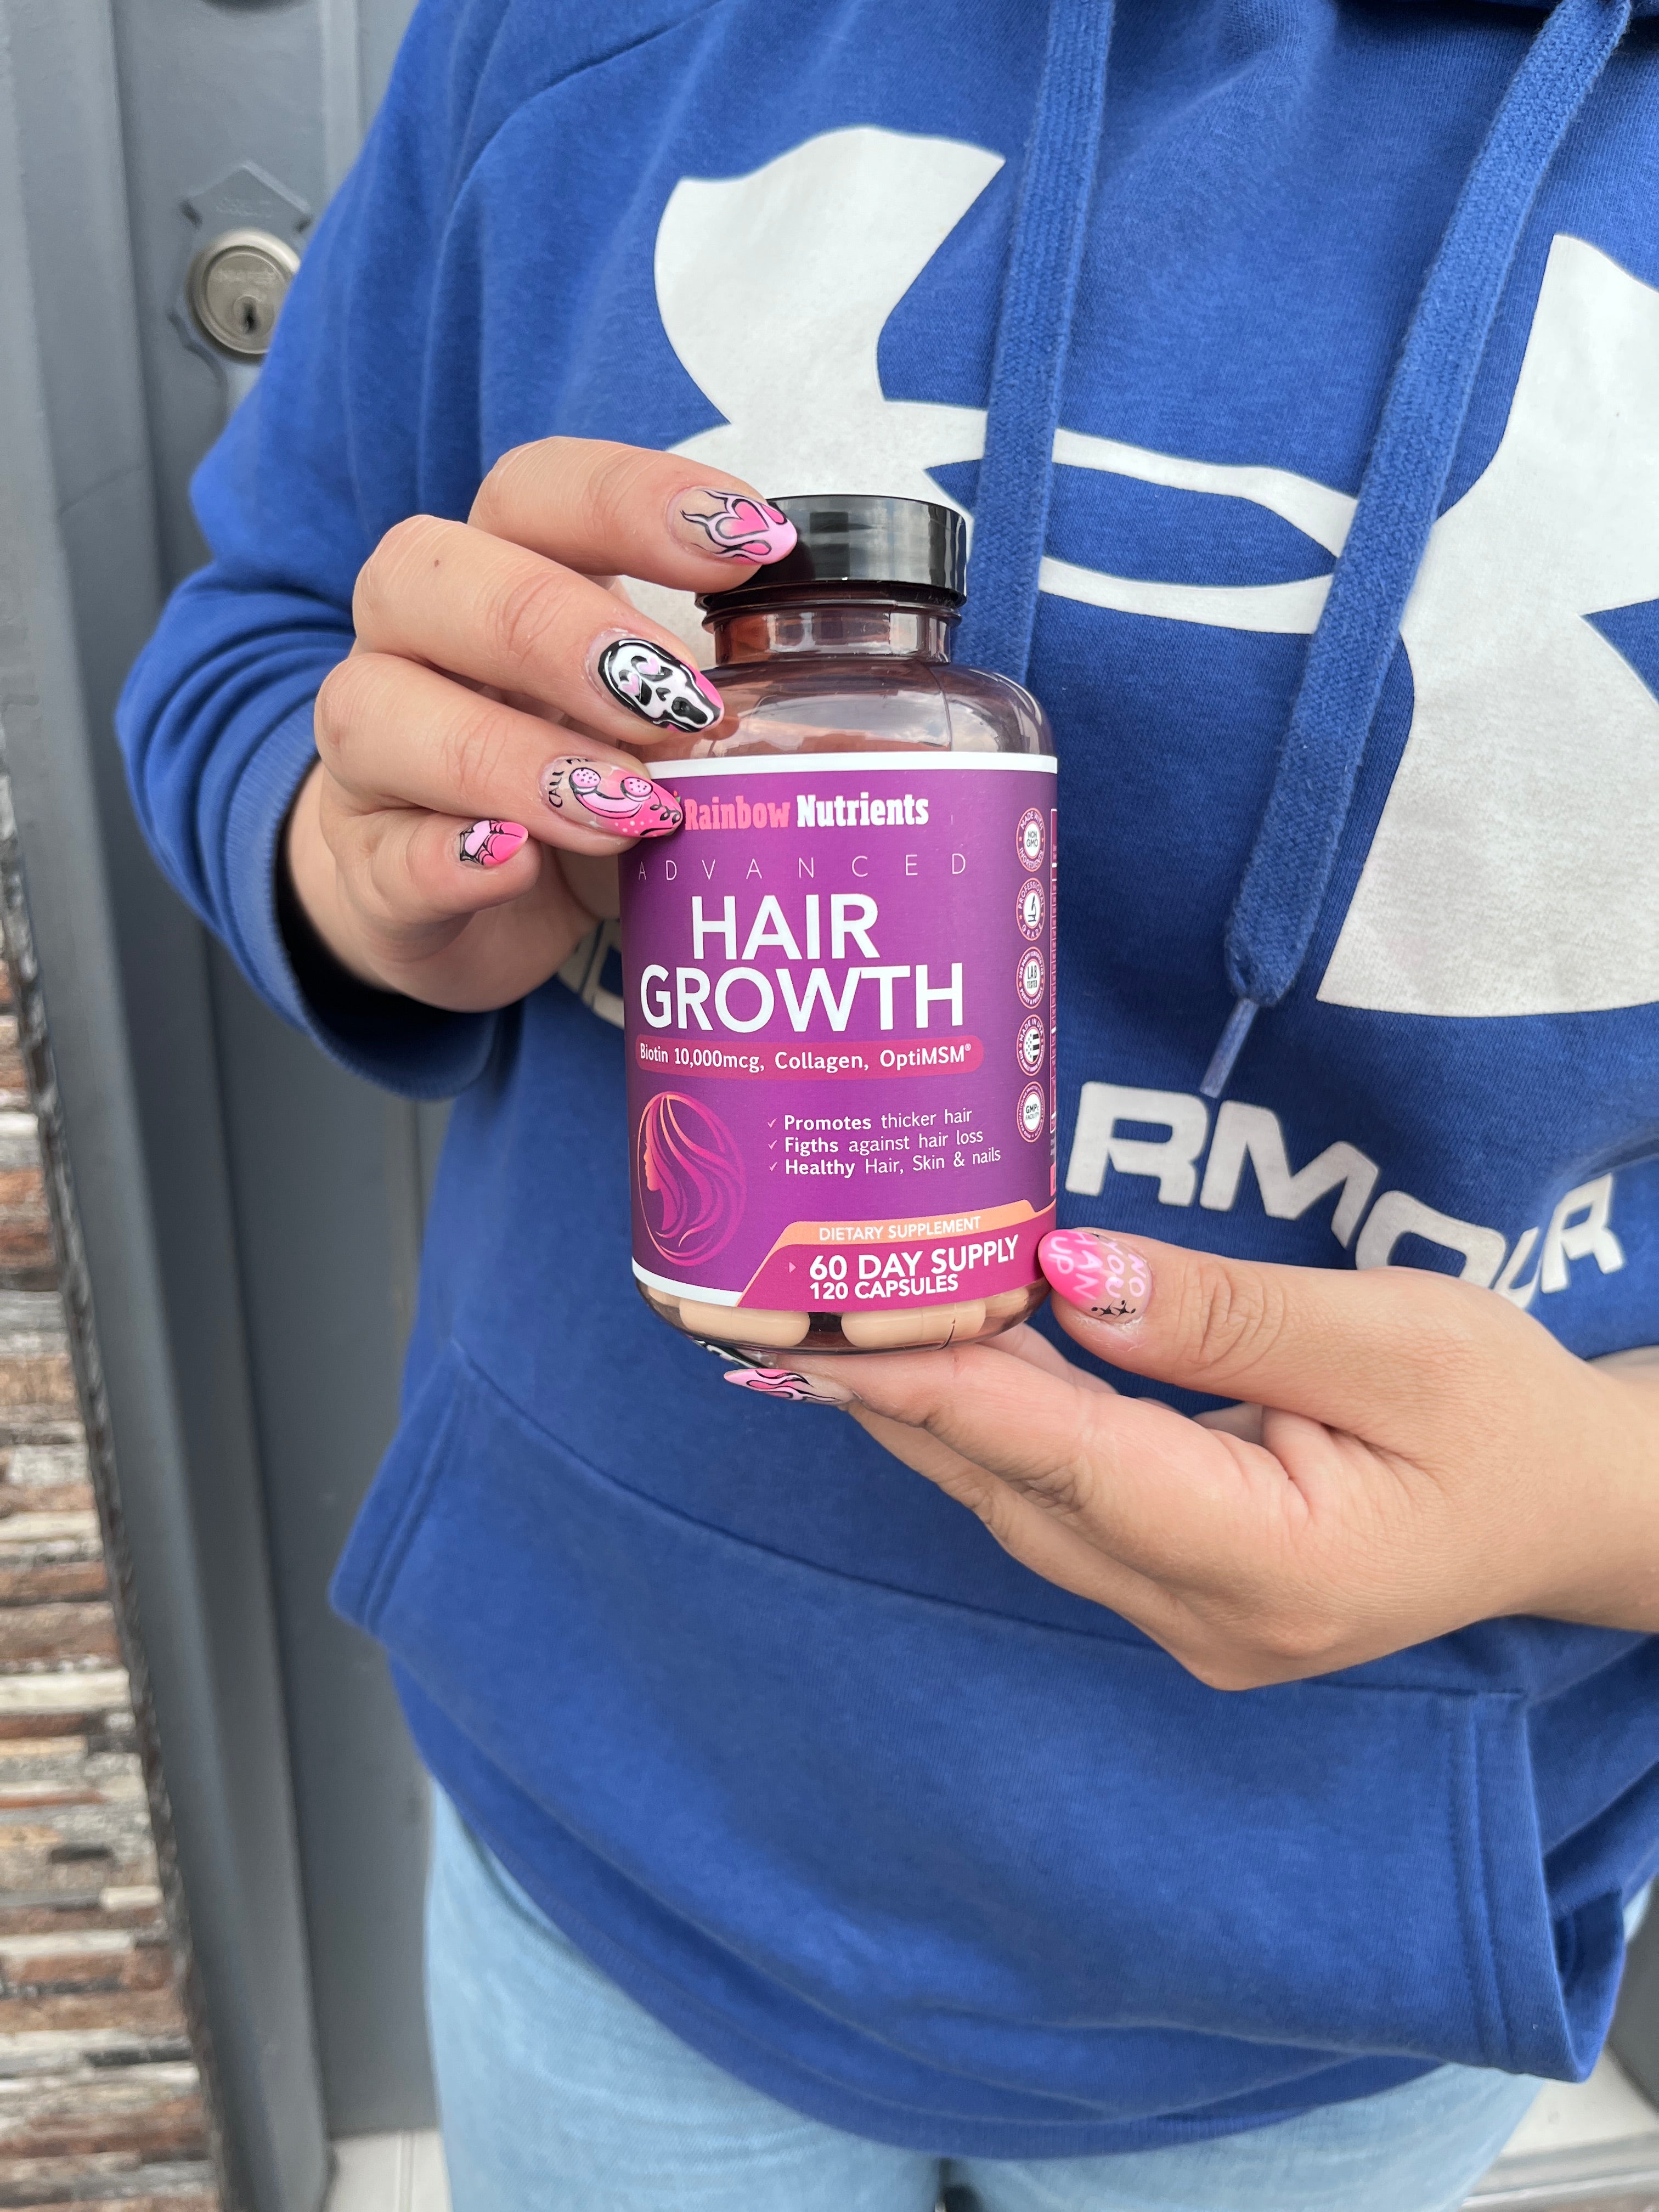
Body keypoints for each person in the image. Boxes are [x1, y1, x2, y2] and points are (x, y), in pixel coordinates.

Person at [117, 1, 1659, 2205]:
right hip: (611, 1830)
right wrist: (371, 852)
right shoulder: (574, 34)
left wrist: (1602, 1495)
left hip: (1342, 1971)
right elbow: (264, 633)